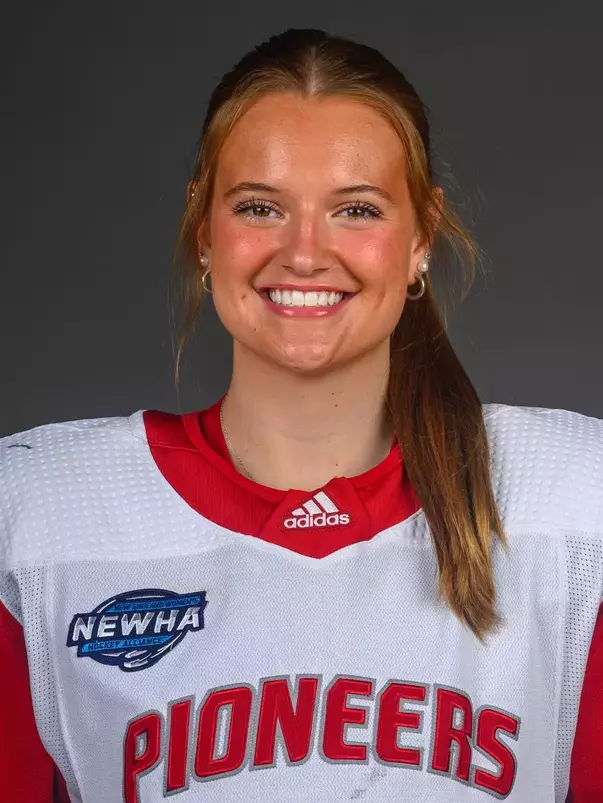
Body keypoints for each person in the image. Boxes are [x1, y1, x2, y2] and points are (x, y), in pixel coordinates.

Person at [0, 27, 601, 803]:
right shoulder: (40, 518)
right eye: (260, 206)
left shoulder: (574, 506)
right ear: (202, 225)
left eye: (355, 209)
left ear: (420, 235)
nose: (305, 252)